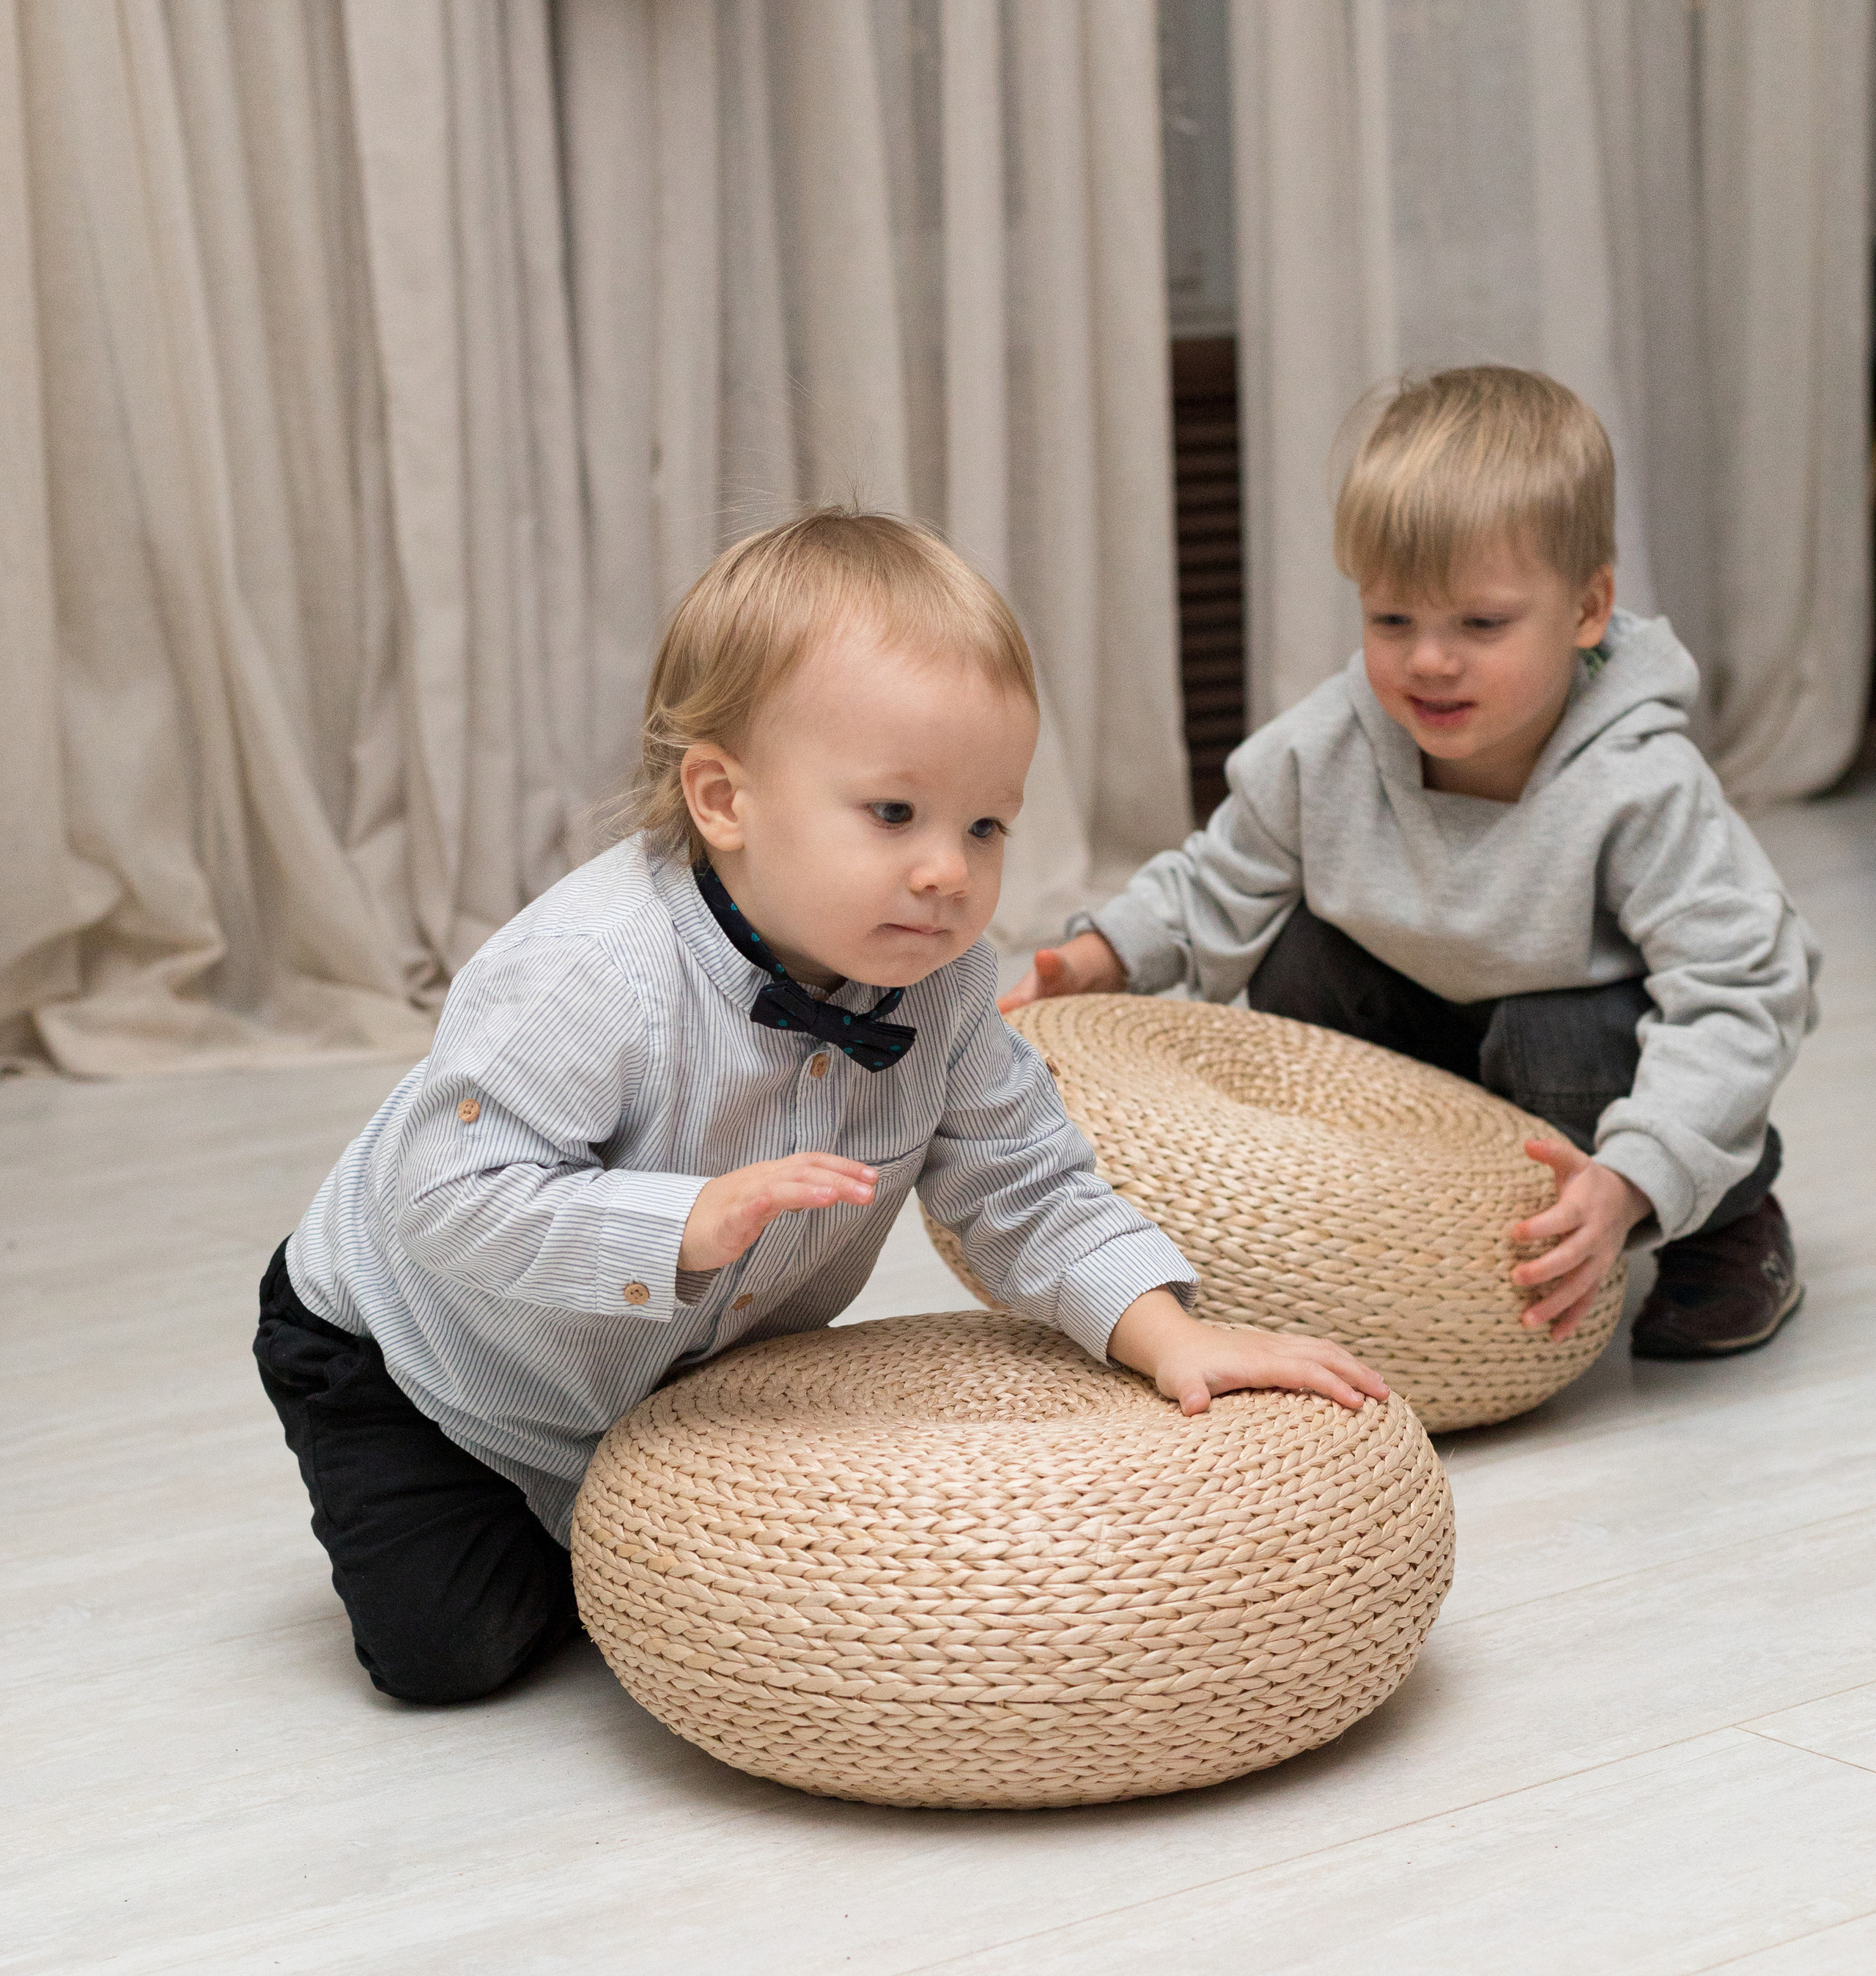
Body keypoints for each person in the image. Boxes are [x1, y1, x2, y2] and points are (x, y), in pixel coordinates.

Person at [256, 510, 1387, 1706]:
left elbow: (1028, 1185)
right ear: (723, 801)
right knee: (454, 1658)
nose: (949, 871)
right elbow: (441, 1195)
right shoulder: (591, 970)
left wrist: (1168, 1332)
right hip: (418, 1354)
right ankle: (513, 1518)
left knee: (787, 1603)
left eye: (986, 824)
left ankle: (599, 1513)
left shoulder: (944, 984)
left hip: (656, 1378)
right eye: (895, 815)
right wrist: (680, 1226)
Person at [1007, 366, 1818, 1365]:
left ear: (1588, 610)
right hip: (1427, 1033)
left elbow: (1741, 994)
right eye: (1394, 621)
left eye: (1481, 625)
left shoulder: (1644, 788)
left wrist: (1644, 1172)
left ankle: (1729, 1215)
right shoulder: (1331, 744)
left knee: (1550, 1037)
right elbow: (1223, 878)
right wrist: (1105, 956)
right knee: (1297, 952)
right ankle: (1414, 1206)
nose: (1429, 662)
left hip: (1590, 1058)